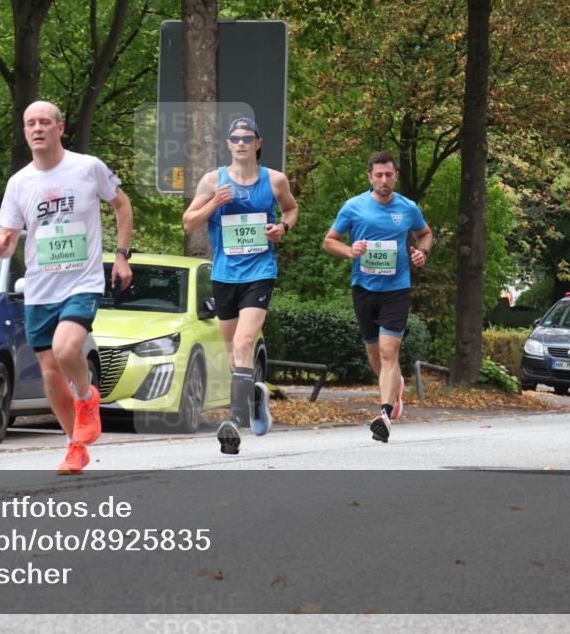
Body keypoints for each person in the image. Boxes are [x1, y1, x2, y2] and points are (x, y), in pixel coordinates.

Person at [0, 101, 133, 474]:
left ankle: (86, 398)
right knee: (49, 369)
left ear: (60, 128)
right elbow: (10, 232)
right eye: (30, 123)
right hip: (40, 287)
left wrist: (121, 255)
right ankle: (74, 445)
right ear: (24, 131)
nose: (37, 128)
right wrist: (3, 244)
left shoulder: (87, 168)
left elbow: (122, 205)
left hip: (81, 282)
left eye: (44, 122)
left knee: (67, 348)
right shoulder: (19, 182)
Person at [183, 117, 298, 455]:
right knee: (234, 354)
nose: (241, 143)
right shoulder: (212, 180)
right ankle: (256, 398)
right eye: (235, 138)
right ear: (229, 144)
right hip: (224, 275)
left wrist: (282, 228)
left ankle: (233, 422)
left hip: (260, 272)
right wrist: (214, 204)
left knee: (246, 341)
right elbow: (189, 224)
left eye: (247, 138)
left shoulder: (274, 180)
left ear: (258, 143)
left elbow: (291, 210)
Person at [323, 151, 433, 443]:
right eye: (379, 175)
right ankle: (394, 385)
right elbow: (329, 241)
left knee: (388, 351)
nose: (384, 180)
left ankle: (384, 414)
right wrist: (350, 252)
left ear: (396, 175)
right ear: (370, 177)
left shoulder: (408, 208)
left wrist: (422, 252)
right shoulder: (353, 207)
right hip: (364, 287)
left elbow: (425, 234)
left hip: (396, 289)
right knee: (374, 353)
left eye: (389, 174)